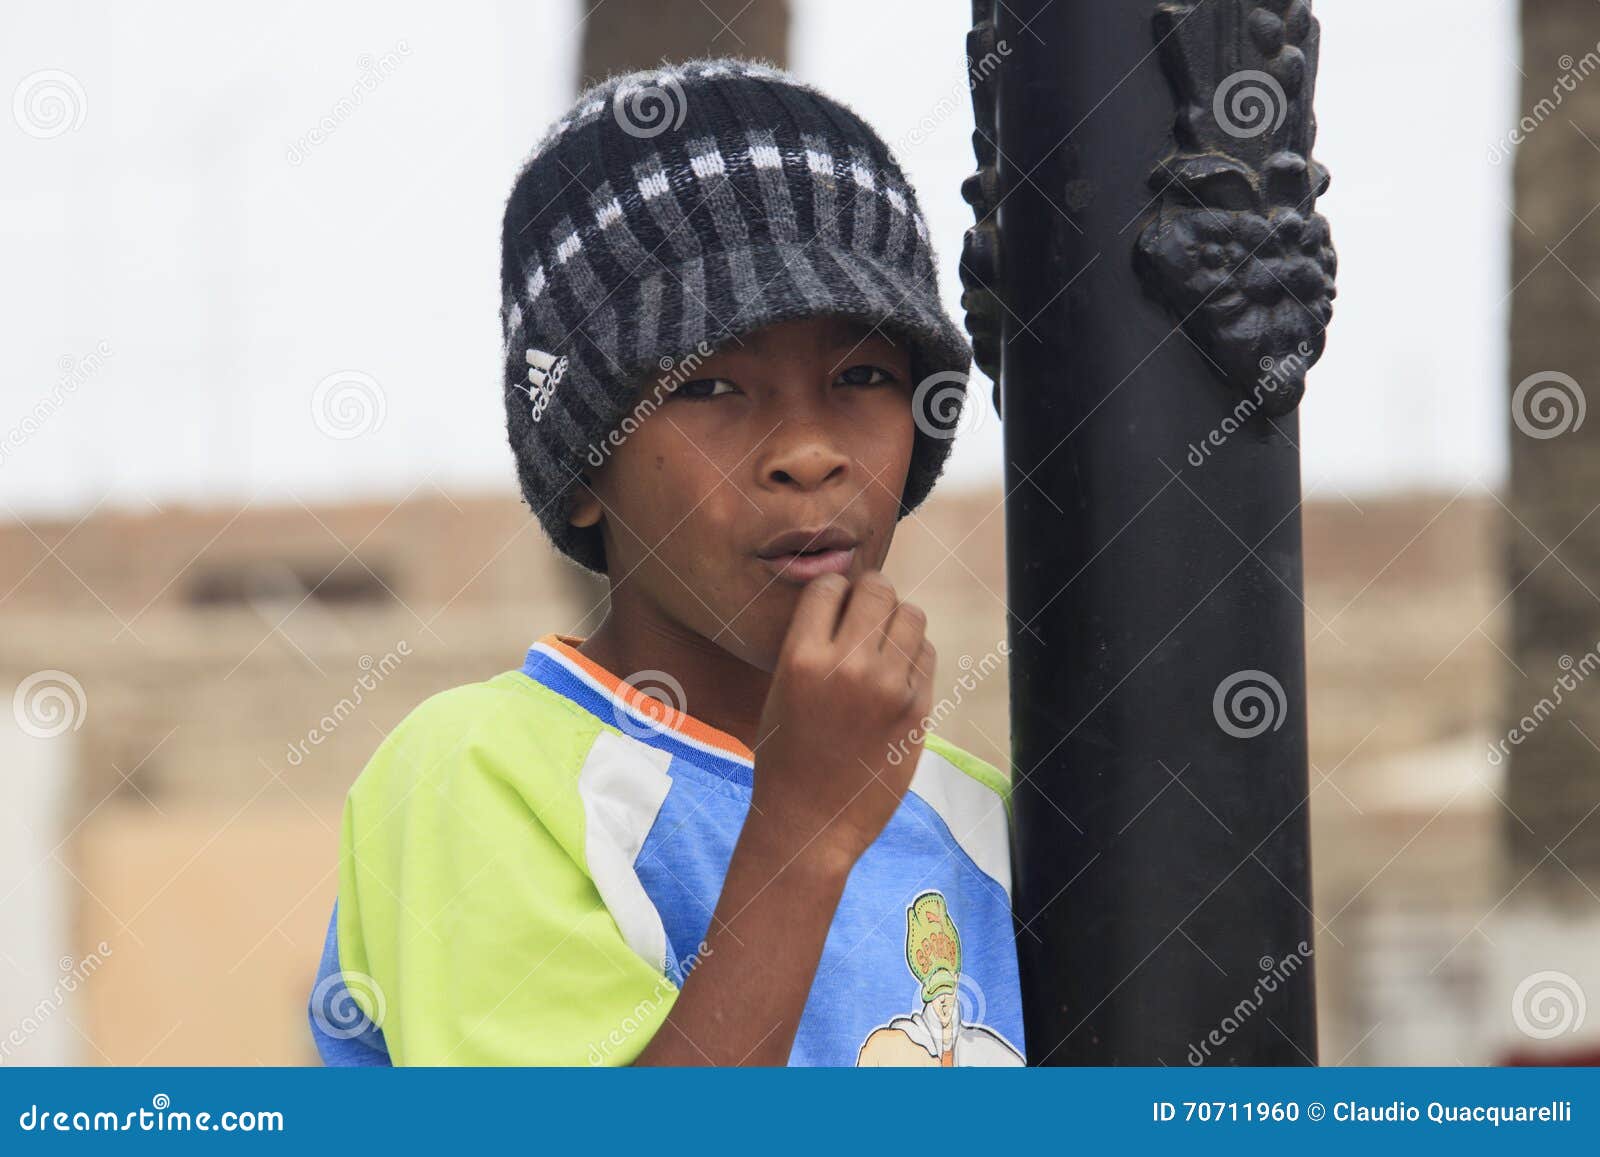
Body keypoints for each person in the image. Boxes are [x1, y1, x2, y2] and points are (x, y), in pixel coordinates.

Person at [306, 55, 1023, 1067]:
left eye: (861, 374)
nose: (808, 449)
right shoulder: (484, 774)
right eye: (710, 387)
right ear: (586, 463)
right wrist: (805, 831)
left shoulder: (979, 822)